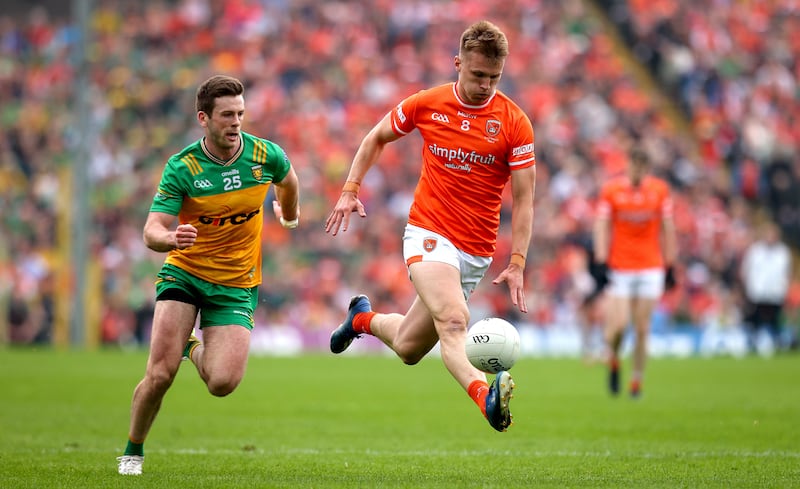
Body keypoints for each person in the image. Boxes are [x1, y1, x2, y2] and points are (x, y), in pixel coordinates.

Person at [324, 20, 536, 432]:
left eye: (494, 77)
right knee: (456, 321)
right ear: (458, 63)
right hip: (428, 232)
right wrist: (350, 188)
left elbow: (525, 198)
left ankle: (360, 320)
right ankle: (485, 396)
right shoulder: (428, 103)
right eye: (477, 75)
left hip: (475, 251)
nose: (485, 85)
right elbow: (375, 138)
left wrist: (517, 260)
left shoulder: (514, 122)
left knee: (407, 347)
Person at [117, 75, 300, 475]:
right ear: (204, 118)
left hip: (236, 283)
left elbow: (288, 180)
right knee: (160, 373)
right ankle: (132, 451)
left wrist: (288, 213)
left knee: (222, 383)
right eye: (227, 115)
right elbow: (151, 230)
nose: (236, 122)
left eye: (240, 114)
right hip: (186, 273)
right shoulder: (182, 167)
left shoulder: (264, 155)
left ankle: (190, 347)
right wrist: (170, 238)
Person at [592, 147, 677, 398]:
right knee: (618, 326)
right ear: (627, 167)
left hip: (651, 267)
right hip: (620, 267)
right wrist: (600, 259)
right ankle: (615, 359)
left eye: (641, 169)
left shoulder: (660, 191)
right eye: (633, 167)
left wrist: (670, 264)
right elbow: (601, 225)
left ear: (646, 170)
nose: (636, 173)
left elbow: (668, 227)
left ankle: (636, 381)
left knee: (642, 328)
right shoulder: (612, 190)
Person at [739, 220, 792, 353]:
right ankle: (753, 345)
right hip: (757, 293)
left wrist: (783, 289)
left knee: (775, 322)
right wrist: (749, 288)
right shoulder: (755, 251)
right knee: (755, 322)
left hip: (775, 294)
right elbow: (746, 271)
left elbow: (786, 273)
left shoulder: (783, 252)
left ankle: (777, 344)